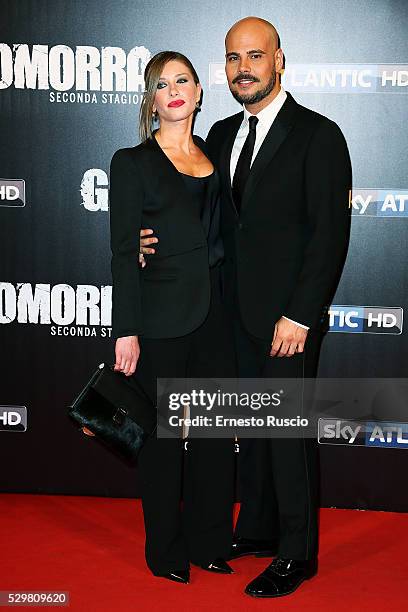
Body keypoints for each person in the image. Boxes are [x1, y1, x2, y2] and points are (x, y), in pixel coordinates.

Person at [140, 17, 352, 598]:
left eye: (255, 56)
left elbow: (329, 236)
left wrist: (302, 314)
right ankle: (255, 529)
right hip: (227, 314)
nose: (244, 68)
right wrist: (144, 237)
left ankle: (295, 553)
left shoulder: (319, 135)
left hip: (287, 321)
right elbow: (196, 220)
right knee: (250, 431)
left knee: (286, 437)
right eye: (233, 58)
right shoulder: (221, 134)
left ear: (279, 60)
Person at [109, 50, 236, 585]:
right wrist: (126, 330)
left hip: (220, 317)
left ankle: (209, 541)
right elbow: (122, 252)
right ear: (153, 99)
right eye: (163, 84)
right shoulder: (131, 162)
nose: (175, 90)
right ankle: (164, 550)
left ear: (199, 93)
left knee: (211, 437)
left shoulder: (217, 158)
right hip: (161, 319)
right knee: (163, 443)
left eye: (183, 80)